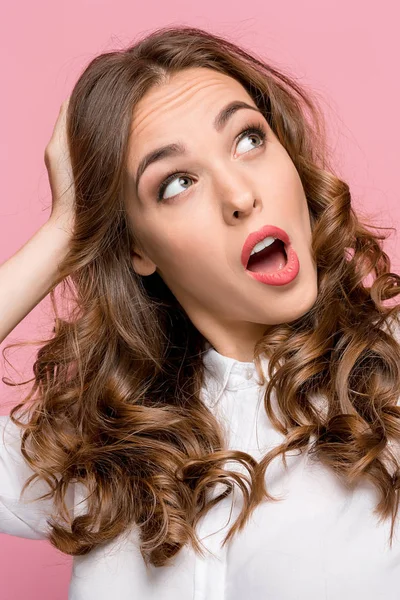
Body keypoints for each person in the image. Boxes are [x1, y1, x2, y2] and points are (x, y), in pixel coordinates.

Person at [1, 24, 400, 600]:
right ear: (137, 247)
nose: (239, 196)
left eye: (248, 140)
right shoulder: (93, 451)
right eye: (177, 183)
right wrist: (64, 234)